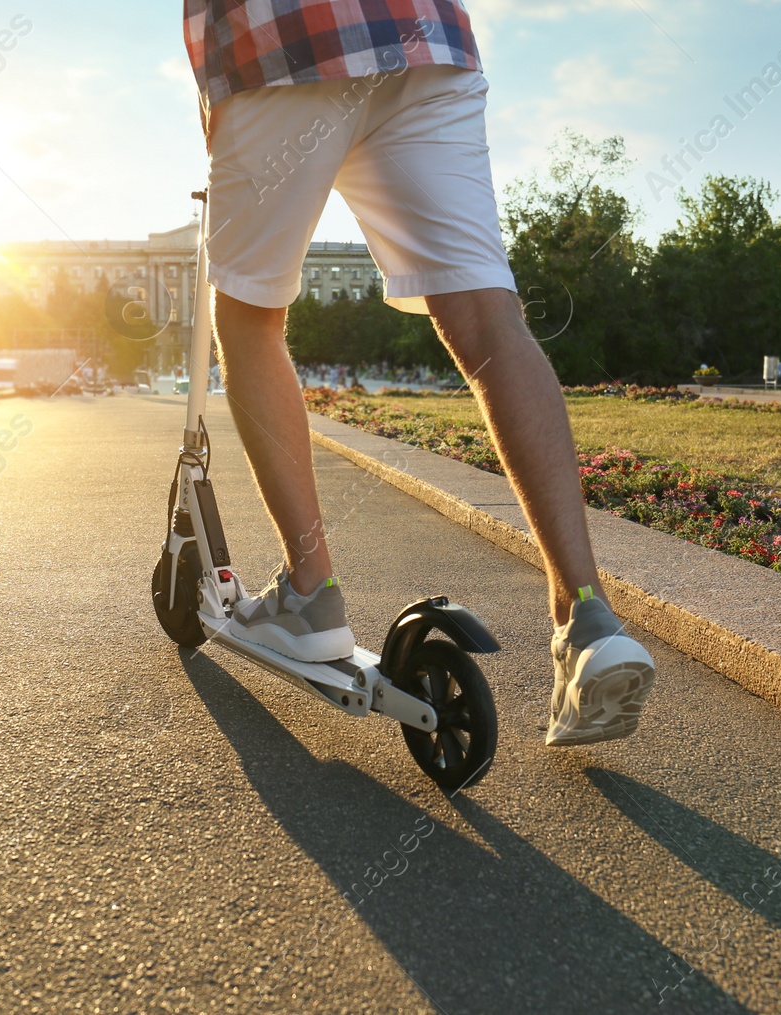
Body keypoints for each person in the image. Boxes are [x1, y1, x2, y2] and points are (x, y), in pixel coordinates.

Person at [184, 0, 656, 746]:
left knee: (248, 317)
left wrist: (214, 88)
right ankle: (587, 612)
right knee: (490, 320)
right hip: (425, 37)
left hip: (283, 41)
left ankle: (311, 593)